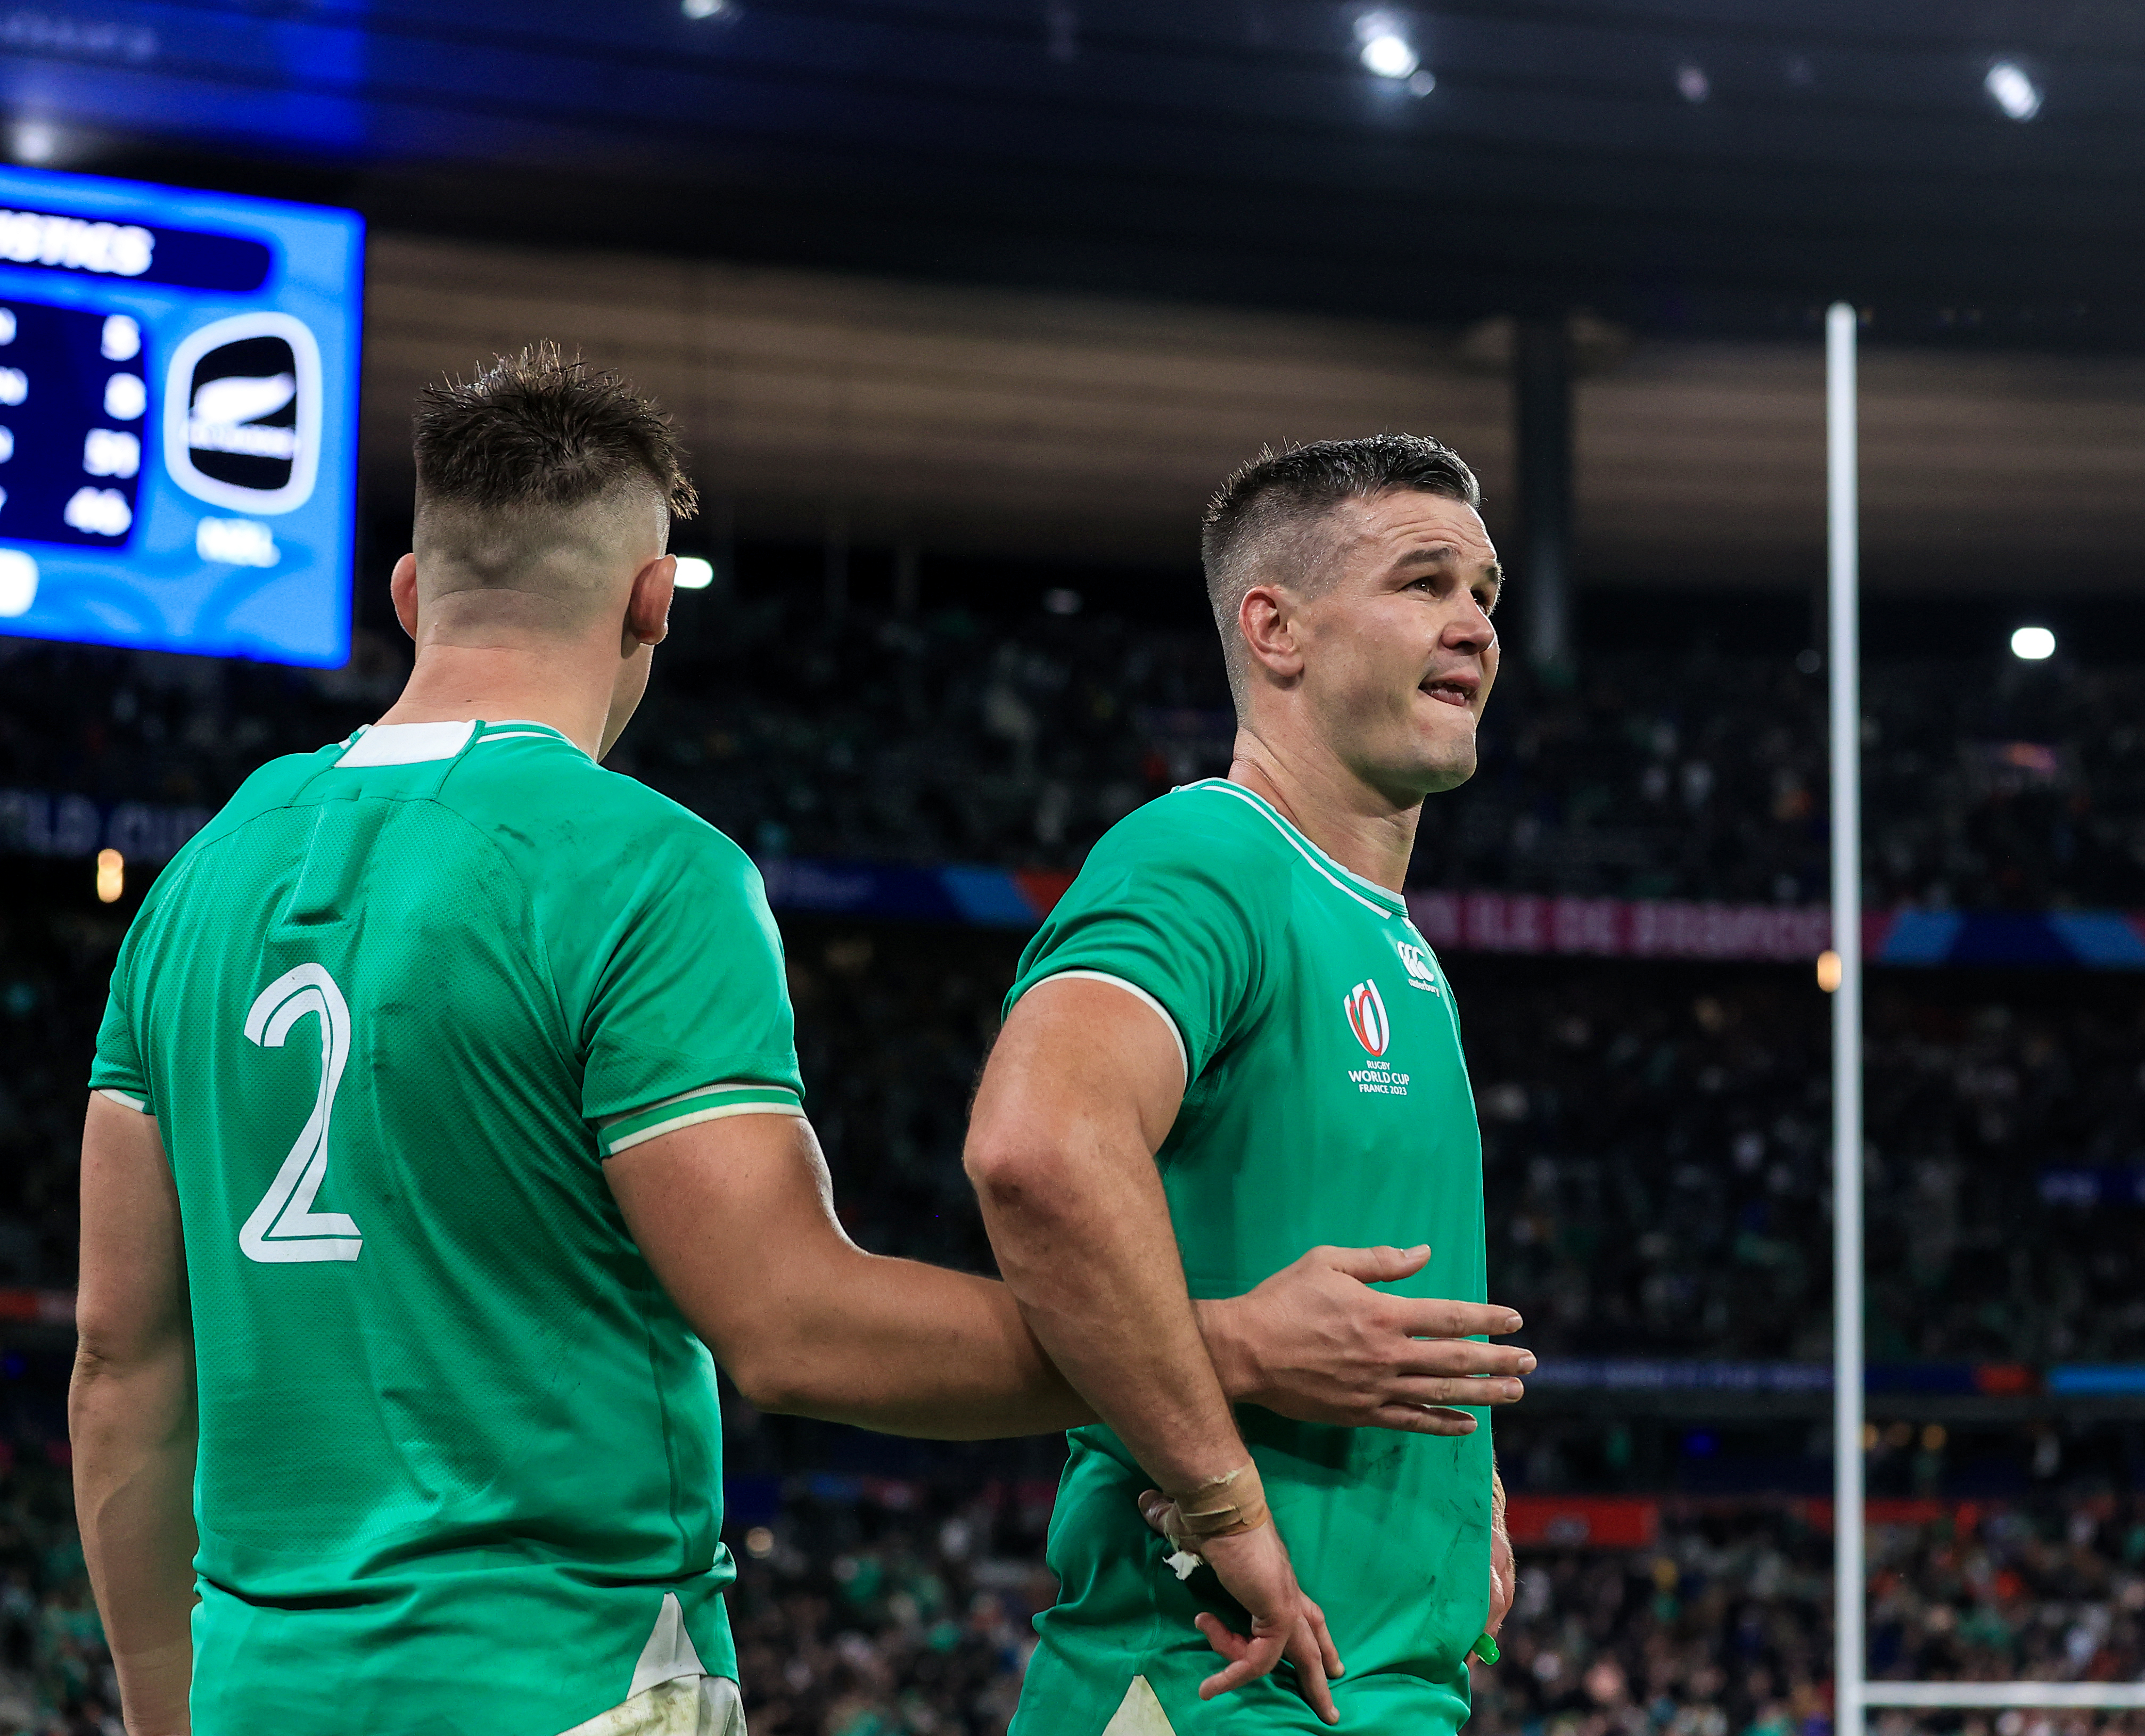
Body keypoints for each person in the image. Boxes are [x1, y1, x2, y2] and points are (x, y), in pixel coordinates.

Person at [67, 352, 1531, 1736]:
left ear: (407, 589)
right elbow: (788, 1323)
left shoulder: (196, 883)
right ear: (653, 600)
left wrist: (164, 1709)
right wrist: (1210, 1351)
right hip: (569, 1672)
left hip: (267, 1682)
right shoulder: (639, 868)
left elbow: (121, 1365)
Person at [964, 434, 1515, 1733]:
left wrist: (1455, 1504)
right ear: (1275, 628)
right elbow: (1037, 1147)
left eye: (1483, 590)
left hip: (1363, 1685)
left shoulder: (1385, 929)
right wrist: (1221, 1495)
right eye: (1423, 582)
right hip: (1213, 1682)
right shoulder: (1208, 855)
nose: (1474, 625)